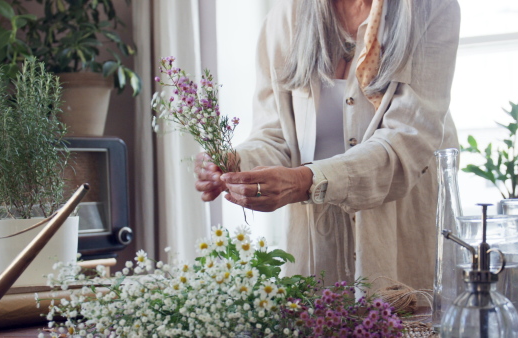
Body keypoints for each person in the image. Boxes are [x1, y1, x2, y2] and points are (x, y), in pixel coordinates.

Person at [195, 0, 460, 291]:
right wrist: (238, 164)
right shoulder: (286, 18)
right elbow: (275, 134)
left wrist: (305, 182)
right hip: (315, 244)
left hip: (397, 239)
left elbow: (405, 144)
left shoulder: (430, 9)